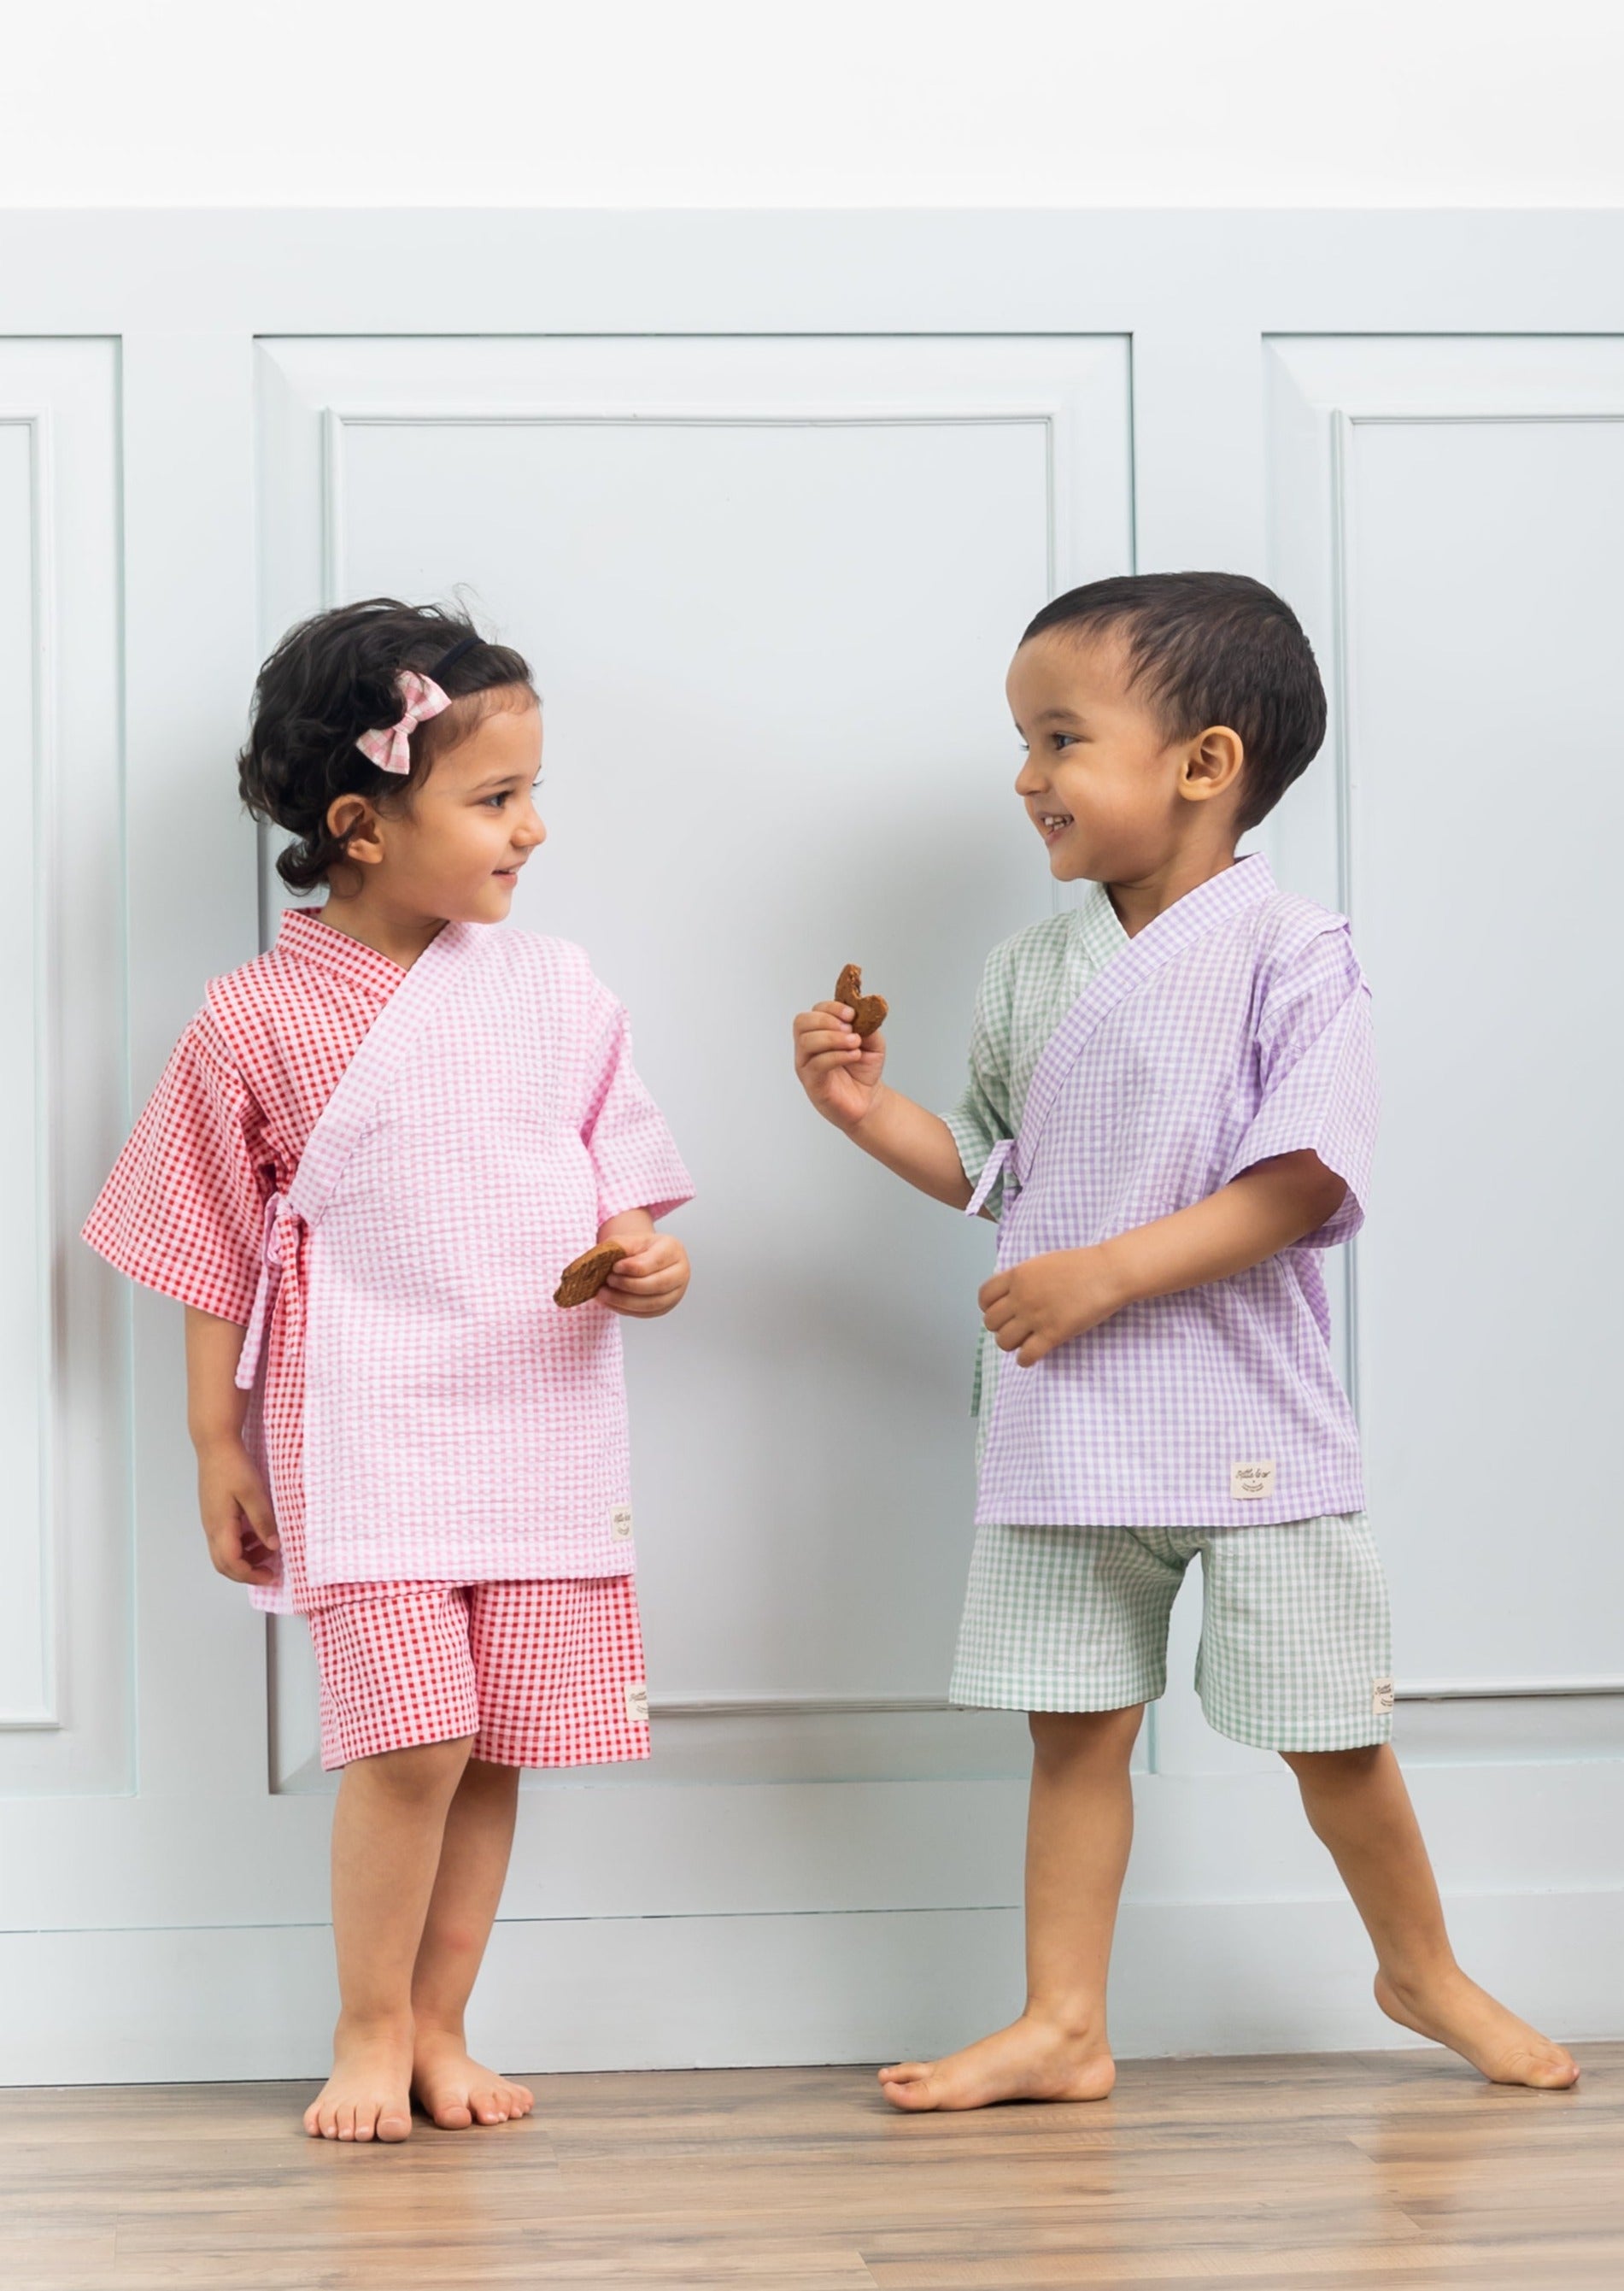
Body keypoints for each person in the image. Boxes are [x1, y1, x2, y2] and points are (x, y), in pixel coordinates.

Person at [793, 572, 1577, 2109]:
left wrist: (1104, 1275)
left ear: (1203, 763)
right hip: (1061, 1421)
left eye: (1060, 738)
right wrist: (865, 1111)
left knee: (1325, 1727)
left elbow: (1300, 1181)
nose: (1026, 776)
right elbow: (991, 1169)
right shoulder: (1034, 967)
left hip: (1245, 1419)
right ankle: (1062, 2022)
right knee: (1073, 1731)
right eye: (1021, 740)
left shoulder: (1294, 953)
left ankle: (1416, 1964)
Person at [85, 600, 694, 2143]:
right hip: (367, 1422)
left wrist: (644, 1255)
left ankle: (441, 2024)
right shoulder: (254, 1018)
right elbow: (209, 1240)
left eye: (533, 793)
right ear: (359, 824)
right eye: (495, 800)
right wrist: (212, 1441)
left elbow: (619, 1175)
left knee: (494, 1738)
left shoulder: (555, 989)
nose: (533, 830)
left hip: (538, 1412)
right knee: (408, 1734)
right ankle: (363, 2024)